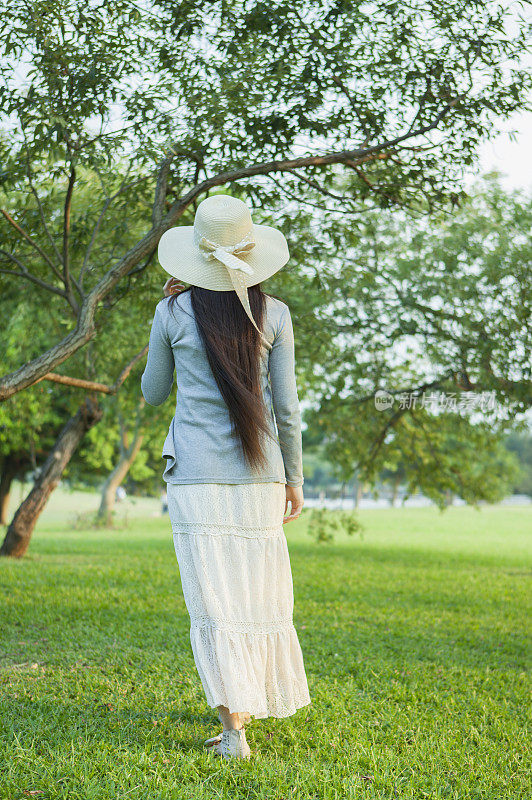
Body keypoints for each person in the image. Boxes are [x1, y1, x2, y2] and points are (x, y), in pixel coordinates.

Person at [140, 194, 311, 760]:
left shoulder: (171, 313)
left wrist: (163, 324)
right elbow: (286, 410)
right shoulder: (276, 314)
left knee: (213, 602)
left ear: (195, 257)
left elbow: (153, 392)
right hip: (262, 478)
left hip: (196, 480)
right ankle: (241, 719)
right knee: (254, 598)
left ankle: (233, 729)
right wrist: (296, 479)